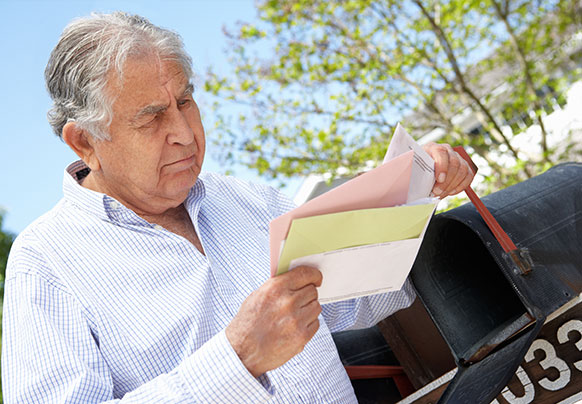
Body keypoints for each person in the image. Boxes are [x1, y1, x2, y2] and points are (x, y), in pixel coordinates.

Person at [1, 12, 475, 403]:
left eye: (185, 101)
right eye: (151, 119)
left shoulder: (246, 199)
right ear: (84, 141)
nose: (185, 132)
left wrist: (415, 188)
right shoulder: (45, 263)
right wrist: (237, 358)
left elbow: (361, 296)